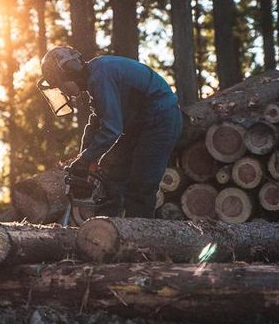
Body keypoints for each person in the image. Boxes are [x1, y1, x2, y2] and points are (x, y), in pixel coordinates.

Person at [37, 46, 182, 218]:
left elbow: (112, 128)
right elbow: (96, 122)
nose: (63, 91)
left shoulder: (101, 75)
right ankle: (106, 229)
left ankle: (140, 237)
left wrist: (86, 159)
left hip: (160, 120)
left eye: (59, 85)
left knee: (141, 185)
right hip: (138, 123)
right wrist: (84, 158)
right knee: (112, 174)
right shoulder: (95, 76)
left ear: (67, 72)